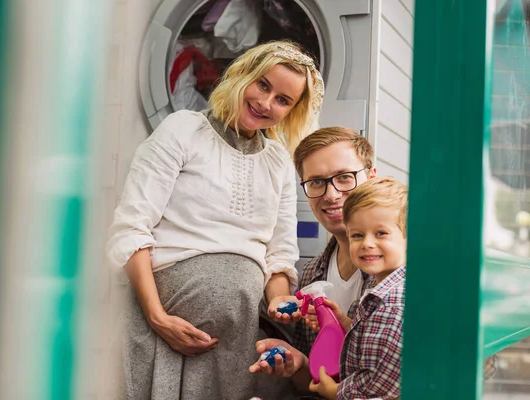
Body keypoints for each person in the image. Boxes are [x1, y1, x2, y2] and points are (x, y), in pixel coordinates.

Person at [106, 40, 324, 400]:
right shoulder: (183, 129)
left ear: (292, 111)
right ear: (242, 75)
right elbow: (130, 228)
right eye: (263, 84)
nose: (266, 103)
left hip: (237, 341)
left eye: (283, 100)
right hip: (159, 327)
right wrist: (158, 317)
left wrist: (278, 301)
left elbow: (279, 256)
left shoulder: (279, 163)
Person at [250, 177, 408, 400]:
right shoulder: (377, 287)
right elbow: (373, 348)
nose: (367, 243)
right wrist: (346, 324)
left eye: (381, 233)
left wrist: (336, 392)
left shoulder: (389, 302)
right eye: (357, 235)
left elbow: (380, 383)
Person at [291, 127, 377, 355]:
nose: (331, 195)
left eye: (344, 178)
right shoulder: (310, 274)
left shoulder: (402, 267)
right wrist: (295, 362)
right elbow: (312, 376)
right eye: (317, 182)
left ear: (372, 177)